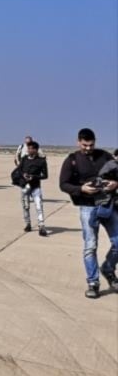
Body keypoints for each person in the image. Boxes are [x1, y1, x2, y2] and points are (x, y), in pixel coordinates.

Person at [59, 128, 118, 299]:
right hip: (87, 207)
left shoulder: (105, 156)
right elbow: (63, 184)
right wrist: (81, 189)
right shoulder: (72, 160)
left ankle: (107, 268)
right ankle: (93, 282)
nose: (88, 148)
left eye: (91, 145)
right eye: (84, 145)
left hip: (108, 205)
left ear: (95, 142)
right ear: (78, 142)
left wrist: (115, 184)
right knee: (90, 246)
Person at [18, 141, 48, 236]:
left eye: (31, 148)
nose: (29, 150)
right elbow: (19, 170)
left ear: (36, 150)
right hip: (25, 187)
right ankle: (28, 224)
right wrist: (23, 175)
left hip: (35, 187)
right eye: (28, 148)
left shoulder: (41, 161)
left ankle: (41, 226)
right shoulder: (24, 159)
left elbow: (45, 175)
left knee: (39, 206)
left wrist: (33, 177)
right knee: (26, 206)